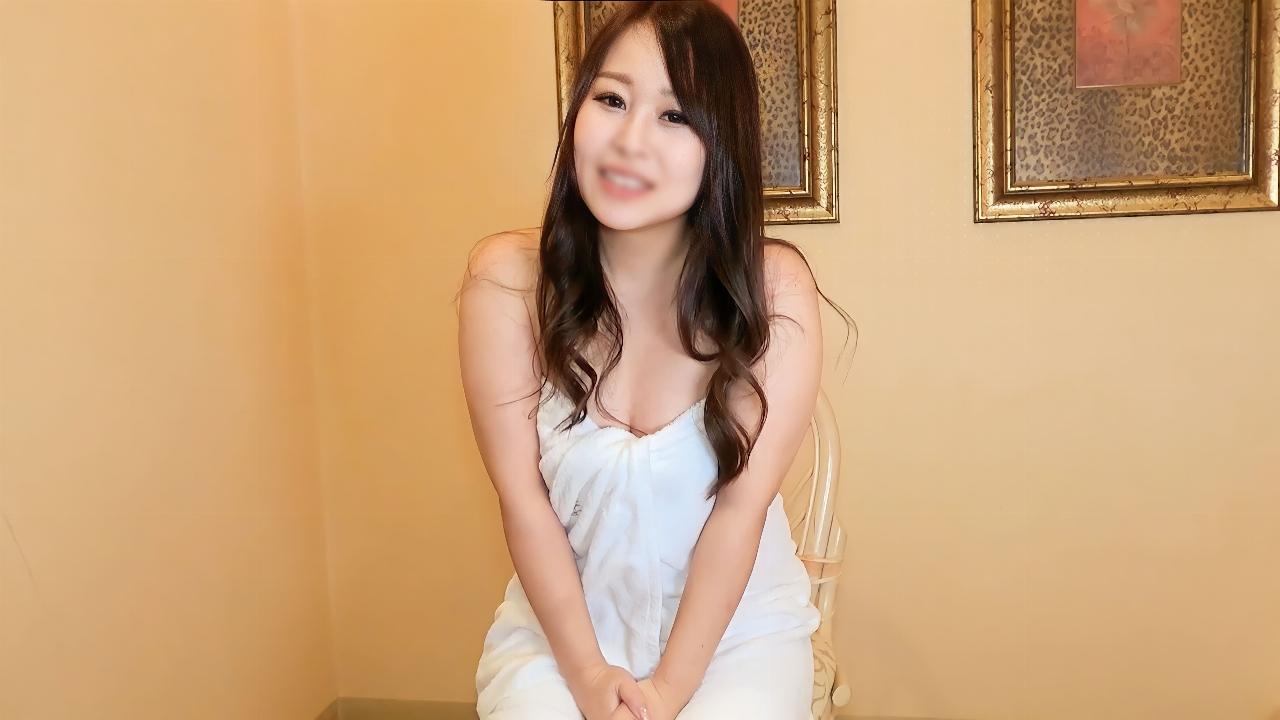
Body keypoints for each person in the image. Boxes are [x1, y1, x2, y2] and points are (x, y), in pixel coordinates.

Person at [456, 2, 854, 718]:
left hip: (733, 639)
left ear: (721, 144)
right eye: (611, 100)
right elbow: (522, 501)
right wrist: (587, 675)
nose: (629, 140)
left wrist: (667, 692)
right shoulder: (508, 283)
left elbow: (739, 513)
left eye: (674, 116)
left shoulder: (773, 289)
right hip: (562, 633)